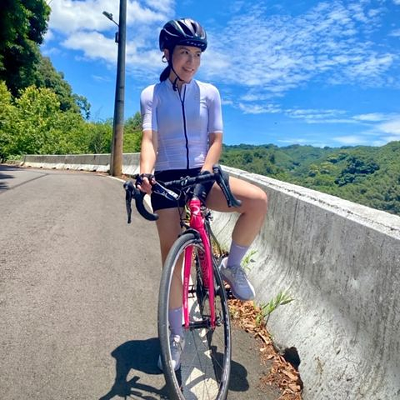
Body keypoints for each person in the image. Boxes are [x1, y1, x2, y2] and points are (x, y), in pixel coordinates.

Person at [137, 18, 268, 371]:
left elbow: (216, 140)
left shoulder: (210, 93)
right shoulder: (151, 95)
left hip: (202, 172)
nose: (191, 62)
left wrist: (206, 174)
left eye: (197, 55)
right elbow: (149, 139)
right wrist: (145, 173)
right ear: (167, 54)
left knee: (257, 201)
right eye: (184, 53)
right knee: (173, 258)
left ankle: (231, 266)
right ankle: (175, 333)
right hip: (166, 177)